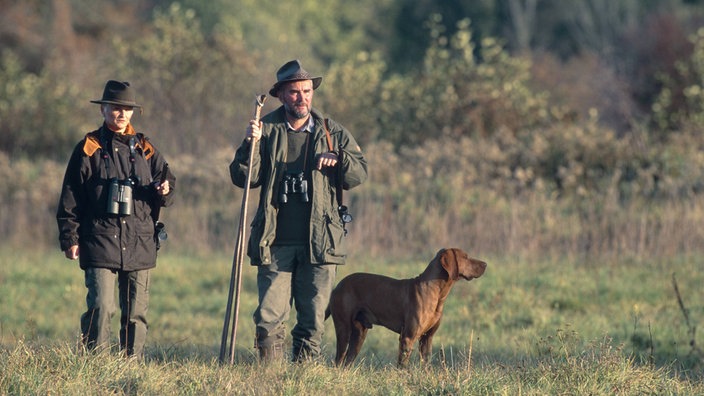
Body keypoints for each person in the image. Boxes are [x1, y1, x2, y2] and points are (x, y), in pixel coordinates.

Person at [229, 60, 368, 362]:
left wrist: (340, 158)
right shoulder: (266, 130)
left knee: (313, 320)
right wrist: (249, 144)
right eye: (294, 92)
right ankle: (271, 380)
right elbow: (244, 178)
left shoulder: (332, 132)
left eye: (306, 91)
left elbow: (359, 174)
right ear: (280, 94)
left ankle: (305, 381)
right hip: (275, 239)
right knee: (268, 317)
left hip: (320, 242)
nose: (302, 97)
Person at [56, 80, 175, 358]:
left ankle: (130, 367)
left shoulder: (145, 147)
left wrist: (165, 188)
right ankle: (95, 367)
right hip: (99, 241)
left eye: (126, 109)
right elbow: (70, 196)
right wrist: (69, 238)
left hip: (140, 241)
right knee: (101, 307)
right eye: (115, 108)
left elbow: (167, 180)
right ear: (103, 110)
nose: (121, 114)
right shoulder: (88, 148)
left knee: (136, 313)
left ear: (132, 113)